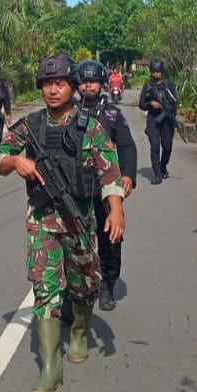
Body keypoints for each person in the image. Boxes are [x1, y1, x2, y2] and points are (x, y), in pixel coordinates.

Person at [0, 54, 125, 392]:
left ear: (72, 87)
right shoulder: (30, 126)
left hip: (79, 220)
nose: (53, 90)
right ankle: (51, 366)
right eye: (47, 84)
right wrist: (14, 160)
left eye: (60, 83)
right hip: (42, 221)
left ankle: (80, 331)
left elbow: (109, 170)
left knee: (85, 284)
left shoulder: (88, 126)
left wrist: (115, 210)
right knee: (45, 288)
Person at [74, 60, 137, 311]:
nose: (88, 86)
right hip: (76, 187)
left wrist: (129, 175)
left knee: (110, 240)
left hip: (106, 187)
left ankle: (107, 285)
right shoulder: (68, 111)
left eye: (93, 81)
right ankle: (74, 289)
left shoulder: (112, 114)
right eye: (84, 81)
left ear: (101, 84)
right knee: (75, 239)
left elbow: (126, 146)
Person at [138, 59, 178, 185]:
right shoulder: (148, 86)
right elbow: (141, 104)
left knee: (167, 147)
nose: (156, 74)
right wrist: (151, 103)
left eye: (158, 71)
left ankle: (163, 166)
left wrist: (171, 114)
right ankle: (157, 174)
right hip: (153, 121)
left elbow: (175, 102)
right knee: (155, 146)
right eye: (154, 71)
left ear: (162, 72)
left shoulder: (169, 85)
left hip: (167, 120)